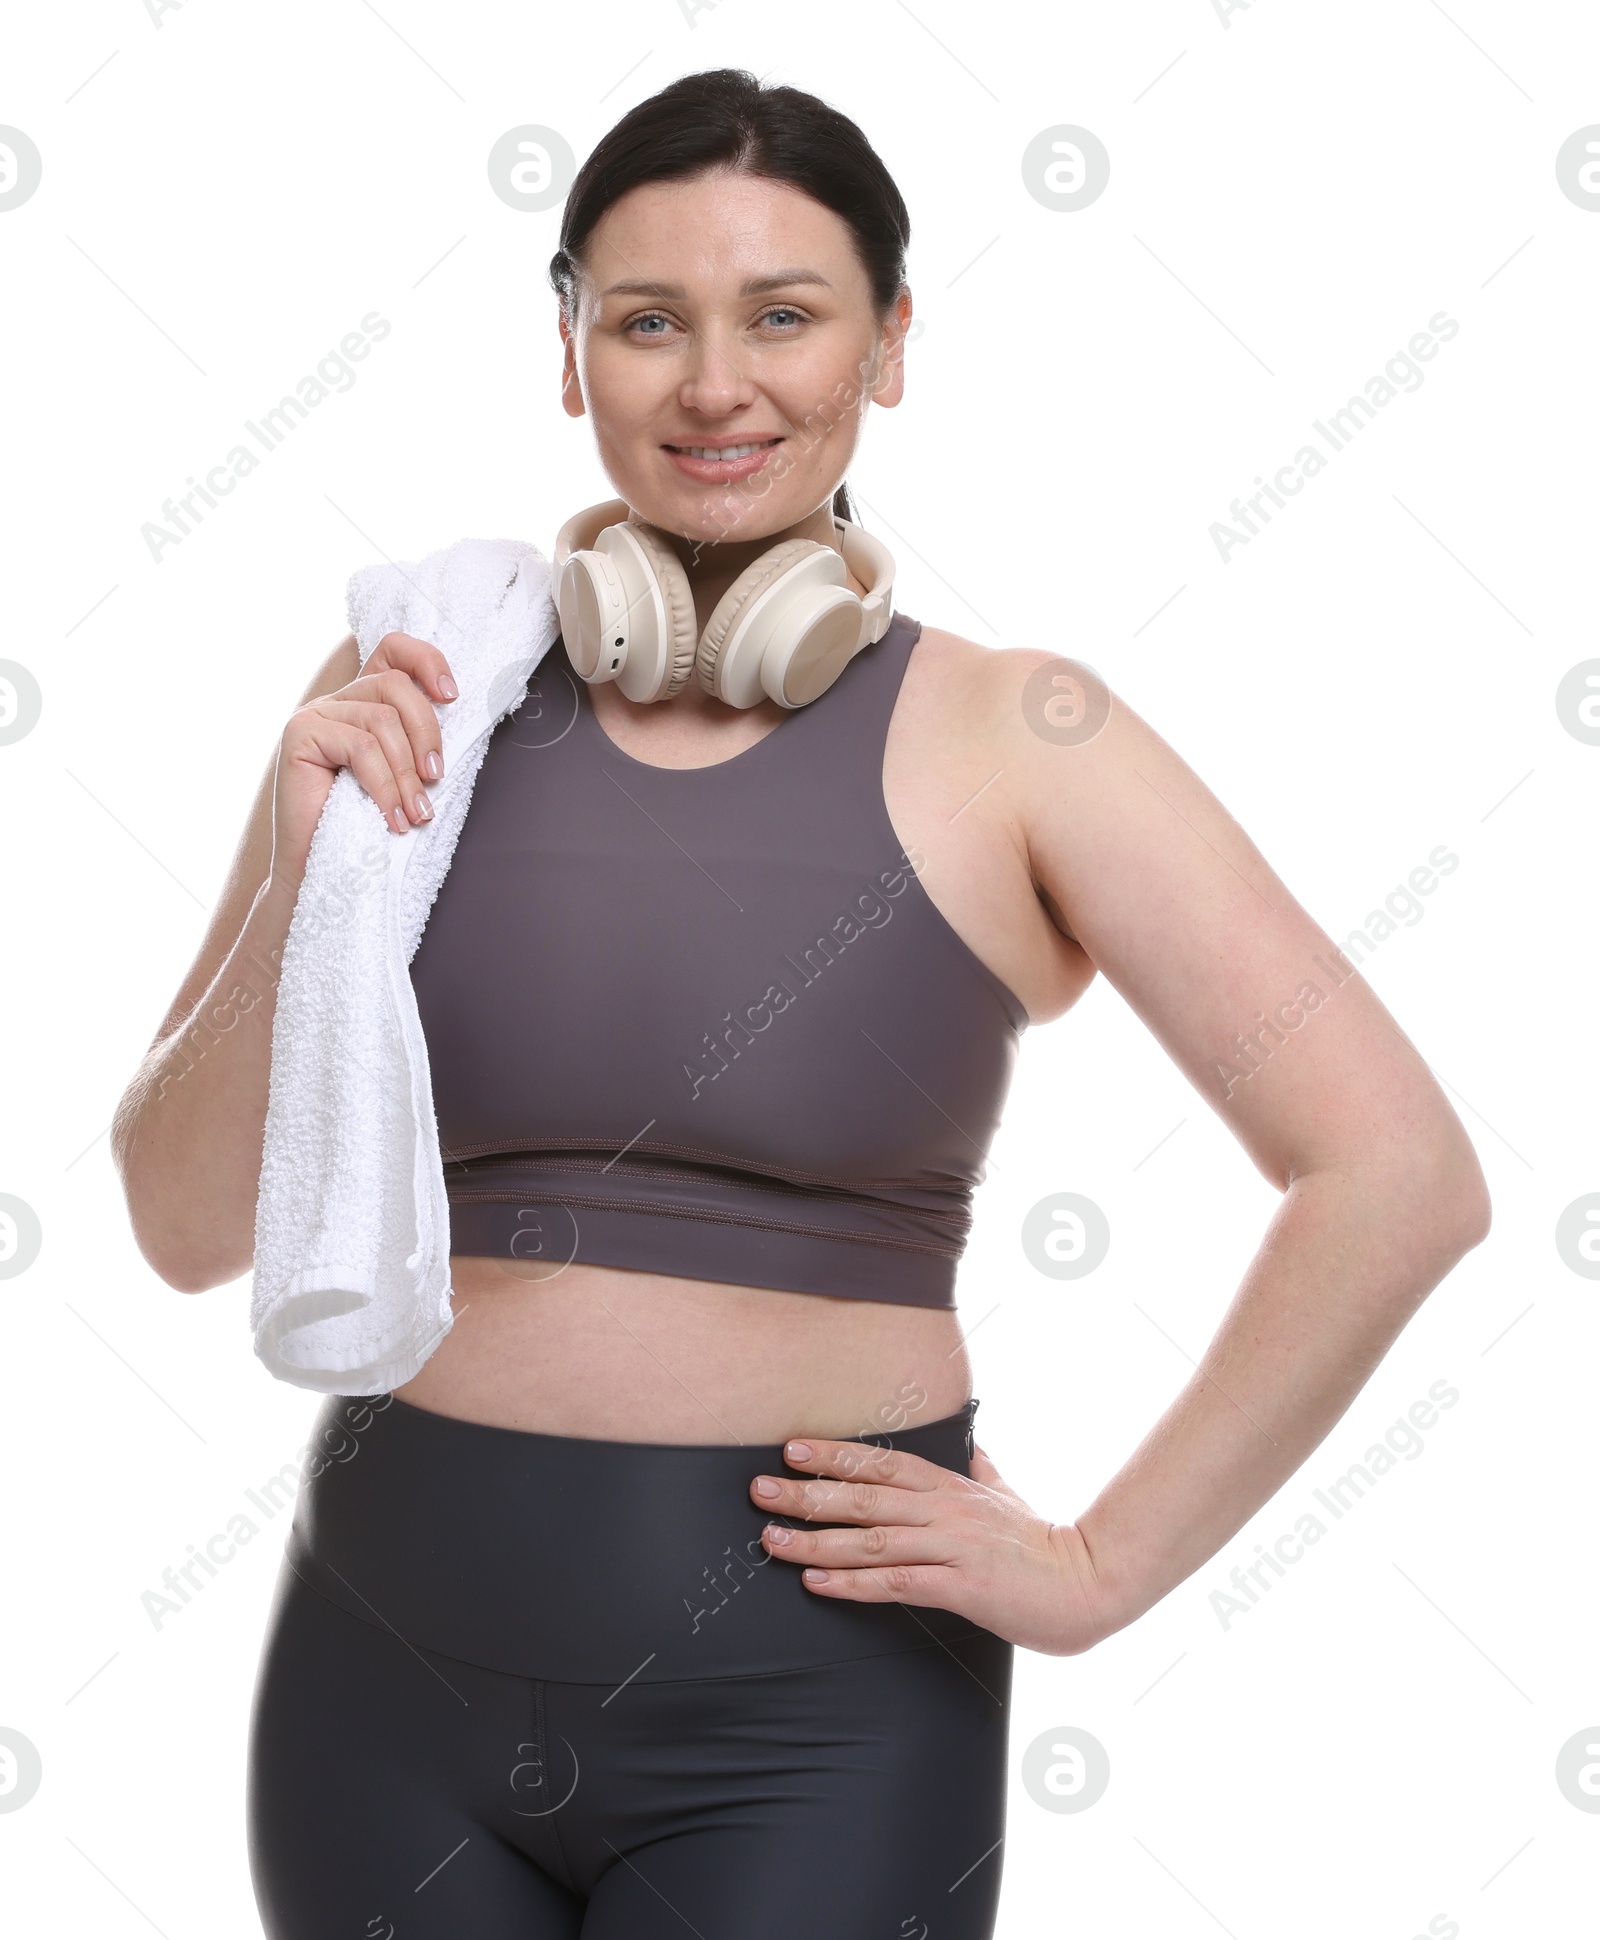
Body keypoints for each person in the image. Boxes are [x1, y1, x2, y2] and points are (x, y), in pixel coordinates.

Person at [112, 66, 1491, 1940]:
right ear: (573, 346)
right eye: (649, 319)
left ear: (891, 344)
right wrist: (306, 866)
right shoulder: (415, 683)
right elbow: (188, 1227)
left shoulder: (1025, 735)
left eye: (785, 315)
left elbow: (1396, 1171)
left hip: (813, 1720)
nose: (714, 383)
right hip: (378, 1695)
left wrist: (1100, 1569)